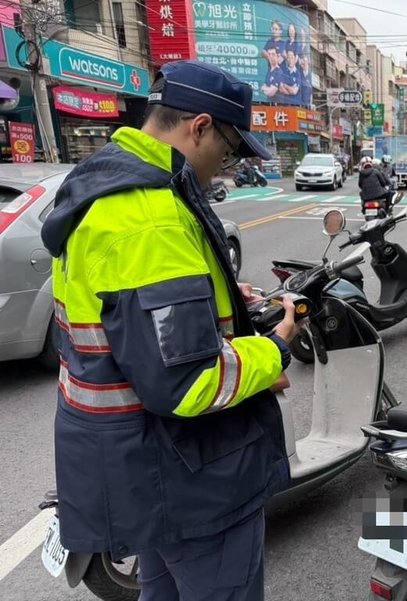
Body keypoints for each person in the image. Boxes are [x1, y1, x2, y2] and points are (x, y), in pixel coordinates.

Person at [40, 60, 300, 600]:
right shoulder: (150, 218)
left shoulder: (107, 184)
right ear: (199, 127)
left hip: (140, 463)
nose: (225, 166)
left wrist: (221, 301)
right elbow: (187, 380)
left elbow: (126, 322)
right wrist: (273, 350)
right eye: (227, 149)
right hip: (190, 471)